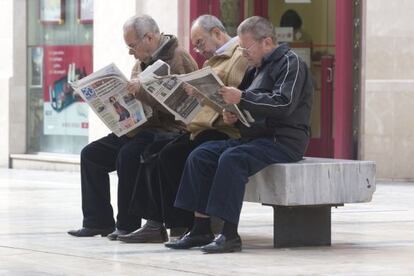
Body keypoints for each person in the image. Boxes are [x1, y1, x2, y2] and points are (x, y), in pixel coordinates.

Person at [165, 16, 313, 253]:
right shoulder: (256, 69)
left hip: (284, 140)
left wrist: (242, 98)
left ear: (266, 41)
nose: (243, 52)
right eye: (241, 47)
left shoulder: (291, 62)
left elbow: (284, 103)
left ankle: (229, 234)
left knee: (232, 160)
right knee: (201, 155)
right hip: (256, 137)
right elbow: (244, 102)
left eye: (246, 47)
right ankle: (201, 228)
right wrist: (233, 113)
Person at [117, 14, 248, 243]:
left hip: (219, 128)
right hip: (199, 125)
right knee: (155, 153)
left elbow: (236, 93)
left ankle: (180, 223)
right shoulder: (213, 60)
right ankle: (159, 222)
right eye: (196, 45)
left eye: (200, 43)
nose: (198, 50)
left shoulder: (237, 57)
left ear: (217, 33)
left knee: (169, 154)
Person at [67, 15, 198, 240]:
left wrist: (142, 93)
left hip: (167, 130)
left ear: (149, 37)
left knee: (128, 155)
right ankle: (97, 221)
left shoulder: (178, 58)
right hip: (138, 127)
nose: (130, 52)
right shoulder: (140, 61)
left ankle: (127, 225)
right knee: (91, 155)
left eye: (132, 46)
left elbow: (183, 107)